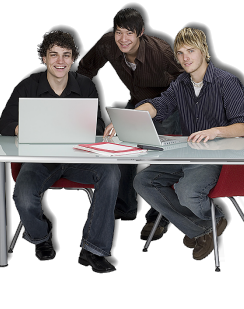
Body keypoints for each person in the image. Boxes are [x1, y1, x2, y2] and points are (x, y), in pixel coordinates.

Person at [0, 30, 120, 273]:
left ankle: (93, 250)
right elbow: (3, 125)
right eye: (53, 55)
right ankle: (42, 237)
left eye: (66, 55)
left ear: (73, 58)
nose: (60, 61)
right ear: (43, 58)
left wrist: (97, 129)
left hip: (80, 159)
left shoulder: (86, 85)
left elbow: (97, 126)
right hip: (41, 161)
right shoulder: (29, 85)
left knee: (112, 174)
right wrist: (21, 128)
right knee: (23, 195)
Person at [132, 27, 244, 261]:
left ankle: (208, 223)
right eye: (179, 53)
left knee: (187, 192)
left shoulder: (226, 82)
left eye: (190, 50)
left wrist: (216, 131)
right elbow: (160, 105)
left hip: (217, 158)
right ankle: (203, 227)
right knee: (143, 180)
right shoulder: (181, 83)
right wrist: (132, 116)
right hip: (186, 156)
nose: (184, 58)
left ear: (204, 51)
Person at [77, 8, 183, 241]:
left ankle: (160, 215)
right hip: (136, 103)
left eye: (129, 33)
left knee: (160, 157)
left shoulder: (162, 51)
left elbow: (184, 81)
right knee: (119, 147)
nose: (123, 39)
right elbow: (85, 69)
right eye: (119, 32)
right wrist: (83, 107)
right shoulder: (108, 43)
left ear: (141, 33)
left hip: (166, 106)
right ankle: (124, 206)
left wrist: (160, 108)